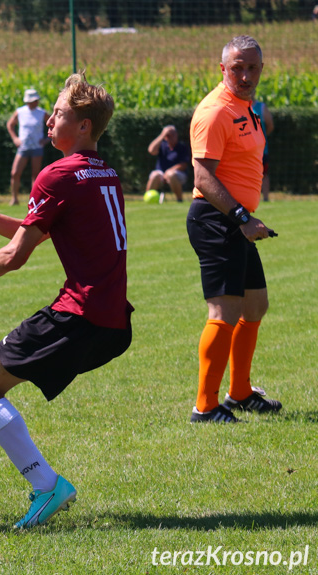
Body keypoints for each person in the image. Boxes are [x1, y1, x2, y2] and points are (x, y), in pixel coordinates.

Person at [0, 73, 132, 528]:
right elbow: (34, 233)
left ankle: (46, 485)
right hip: (109, 319)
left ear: (83, 126)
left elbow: (15, 255)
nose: (48, 119)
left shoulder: (58, 174)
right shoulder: (102, 171)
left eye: (59, 113)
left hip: (77, 314)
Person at [187, 35, 281, 424]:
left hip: (236, 219)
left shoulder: (247, 107)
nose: (244, 75)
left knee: (255, 304)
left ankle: (239, 392)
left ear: (261, 68)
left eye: (252, 67)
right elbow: (203, 176)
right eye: (237, 68)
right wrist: (242, 218)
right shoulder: (215, 111)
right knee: (223, 311)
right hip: (216, 217)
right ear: (222, 68)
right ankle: (205, 407)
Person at [6, 88, 50, 206]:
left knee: (35, 175)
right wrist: (15, 138)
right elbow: (10, 124)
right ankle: (14, 198)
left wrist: (47, 139)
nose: (34, 102)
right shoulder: (20, 112)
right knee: (15, 172)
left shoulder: (42, 113)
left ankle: (33, 200)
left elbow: (54, 124)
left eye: (35, 100)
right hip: (23, 147)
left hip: (37, 147)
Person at [145, 125, 190, 203]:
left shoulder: (182, 147)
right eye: (168, 135)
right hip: (160, 174)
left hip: (177, 174)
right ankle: (147, 199)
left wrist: (168, 172)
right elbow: (151, 150)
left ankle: (179, 200)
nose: (171, 137)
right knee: (155, 175)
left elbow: (183, 165)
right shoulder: (162, 145)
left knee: (171, 175)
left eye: (173, 135)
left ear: (176, 135)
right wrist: (162, 135)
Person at [250, 99, 274, 201]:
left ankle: (265, 198)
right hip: (246, 150)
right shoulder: (238, 106)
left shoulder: (261, 107)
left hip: (262, 150)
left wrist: (260, 138)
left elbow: (270, 126)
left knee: (264, 174)